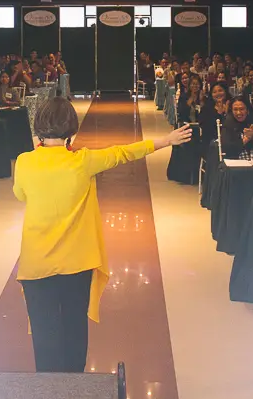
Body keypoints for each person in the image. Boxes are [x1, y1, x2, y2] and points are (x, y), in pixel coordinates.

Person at [13, 97, 191, 373]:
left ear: (39, 127)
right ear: (71, 128)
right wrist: (166, 141)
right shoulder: (84, 161)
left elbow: (20, 194)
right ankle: (75, 386)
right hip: (77, 262)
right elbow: (123, 152)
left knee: (43, 332)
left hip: (37, 263)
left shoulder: (25, 162)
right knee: (74, 326)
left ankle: (47, 387)